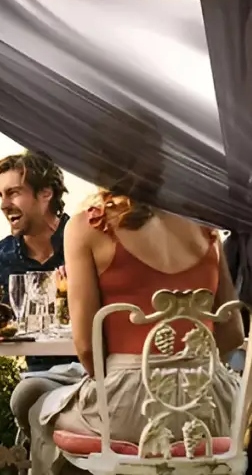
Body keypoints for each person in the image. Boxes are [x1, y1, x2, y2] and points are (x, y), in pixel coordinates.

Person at [27, 186, 244, 474]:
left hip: (130, 408)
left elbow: (88, 348)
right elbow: (233, 333)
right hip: (212, 405)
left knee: (35, 405)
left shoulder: (87, 225)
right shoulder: (206, 228)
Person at [0, 150, 74, 434]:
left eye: (14, 193)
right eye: (0, 195)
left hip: (97, 373)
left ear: (46, 193)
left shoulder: (85, 240)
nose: (4, 205)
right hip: (41, 377)